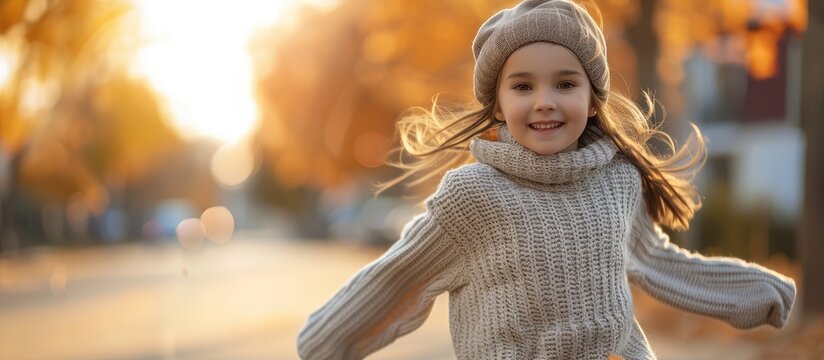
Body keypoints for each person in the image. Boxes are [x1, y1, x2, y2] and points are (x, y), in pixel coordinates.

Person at [296, 0, 796, 359]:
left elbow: (658, 262)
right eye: (522, 86)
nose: (544, 100)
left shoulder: (616, 182)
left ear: (593, 96)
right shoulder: (474, 197)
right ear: (497, 103)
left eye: (565, 83)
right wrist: (326, 341)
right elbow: (398, 276)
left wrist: (754, 290)